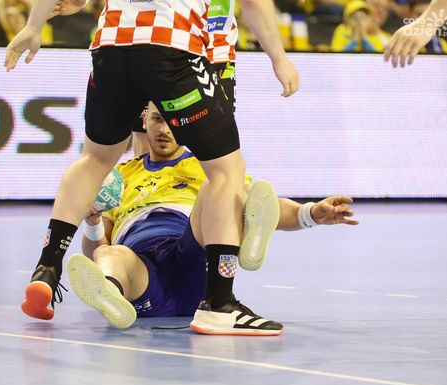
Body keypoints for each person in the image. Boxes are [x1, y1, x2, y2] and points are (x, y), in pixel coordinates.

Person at [5, 0, 299, 335]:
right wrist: (279, 58)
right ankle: (220, 301)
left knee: (95, 160)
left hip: (111, 45)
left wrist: (34, 25)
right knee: (225, 172)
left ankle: (47, 266)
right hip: (174, 44)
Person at [66, 101, 358, 334]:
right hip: (142, 271)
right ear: (144, 121)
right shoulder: (119, 176)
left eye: (172, 121)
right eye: (156, 119)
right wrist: (92, 223)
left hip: (191, 250)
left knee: (222, 185)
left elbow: (264, 204)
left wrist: (310, 213)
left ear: (184, 123)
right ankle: (110, 292)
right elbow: (95, 250)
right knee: (107, 254)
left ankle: (247, 235)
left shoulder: (206, 165)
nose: (164, 129)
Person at [384, 0, 447, 66]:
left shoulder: (442, 45)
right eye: (419, 15)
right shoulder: (394, 41)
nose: (421, 19)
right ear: (409, 15)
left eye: (426, 15)